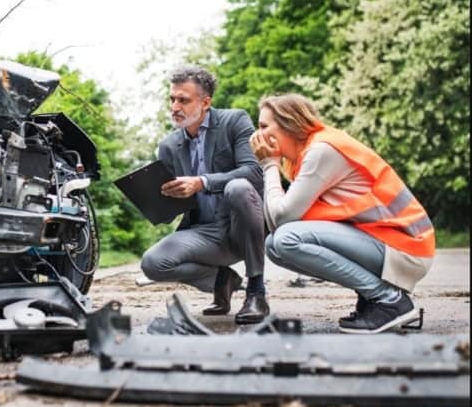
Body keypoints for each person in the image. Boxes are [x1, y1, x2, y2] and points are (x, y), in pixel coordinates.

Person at [250, 93, 435, 334]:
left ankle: (389, 300)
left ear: (289, 125)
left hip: (406, 248)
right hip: (387, 243)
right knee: (274, 245)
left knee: (286, 239)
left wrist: (269, 165)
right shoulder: (308, 153)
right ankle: (373, 297)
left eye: (263, 126)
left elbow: (282, 219)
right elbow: (277, 222)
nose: (257, 135)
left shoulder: (321, 151)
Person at [140, 65, 269, 324]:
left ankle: (256, 291)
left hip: (241, 224)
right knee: (152, 263)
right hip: (204, 231)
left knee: (239, 186)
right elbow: (173, 207)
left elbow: (254, 173)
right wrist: (154, 201)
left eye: (184, 100)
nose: (175, 107)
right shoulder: (168, 146)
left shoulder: (234, 121)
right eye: (172, 99)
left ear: (205, 102)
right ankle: (224, 280)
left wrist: (202, 182)